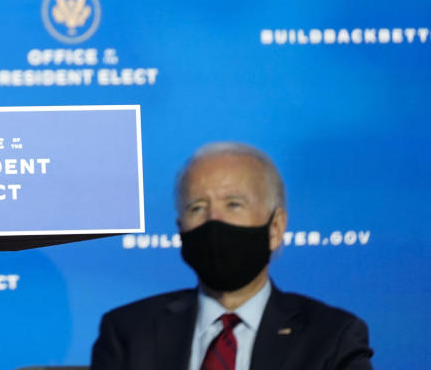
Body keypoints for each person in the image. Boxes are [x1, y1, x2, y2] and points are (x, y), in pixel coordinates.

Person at [91, 142, 373, 370]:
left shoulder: (332, 338)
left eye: (234, 204)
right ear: (181, 230)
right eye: (197, 208)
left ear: (275, 228)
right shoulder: (128, 333)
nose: (214, 220)